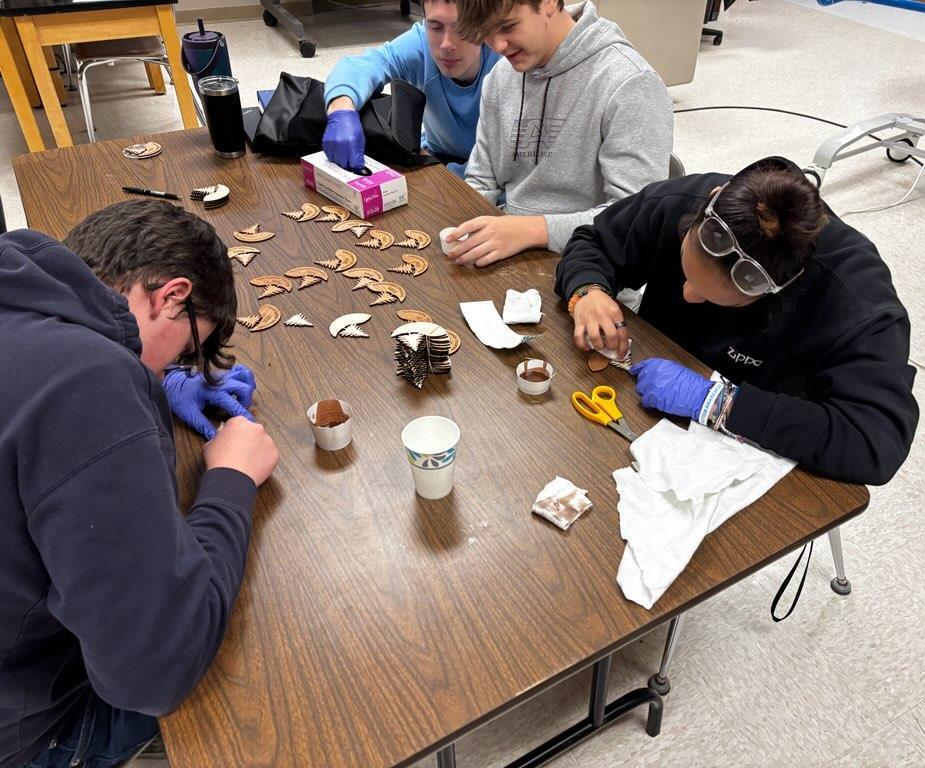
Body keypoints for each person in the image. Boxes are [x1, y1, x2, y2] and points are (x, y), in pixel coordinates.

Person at [0, 200, 279, 768]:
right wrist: (229, 482)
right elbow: (154, 668)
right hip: (22, 732)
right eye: (186, 351)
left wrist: (154, 382)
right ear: (171, 296)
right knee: (262, 682)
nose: (173, 370)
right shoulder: (85, 380)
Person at [556, 156, 919, 485]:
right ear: (707, 204)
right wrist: (588, 291)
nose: (687, 295)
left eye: (709, 297)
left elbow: (875, 443)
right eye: (687, 274)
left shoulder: (858, 304)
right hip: (644, 406)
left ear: (779, 288)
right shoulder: (685, 200)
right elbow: (594, 241)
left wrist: (718, 403)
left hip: (754, 450)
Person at [443, 0, 672, 267]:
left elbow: (634, 221)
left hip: (592, 270)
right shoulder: (500, 77)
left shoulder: (630, 83)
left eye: (507, 26)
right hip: (511, 257)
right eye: (487, 33)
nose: (497, 46)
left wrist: (530, 231)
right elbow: (482, 179)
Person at [323, 0, 500, 177]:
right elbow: (363, 65)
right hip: (437, 158)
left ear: (484, 27)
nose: (446, 44)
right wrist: (341, 111)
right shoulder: (420, 42)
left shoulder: (506, 63)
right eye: (436, 27)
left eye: (461, 29)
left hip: (492, 176)